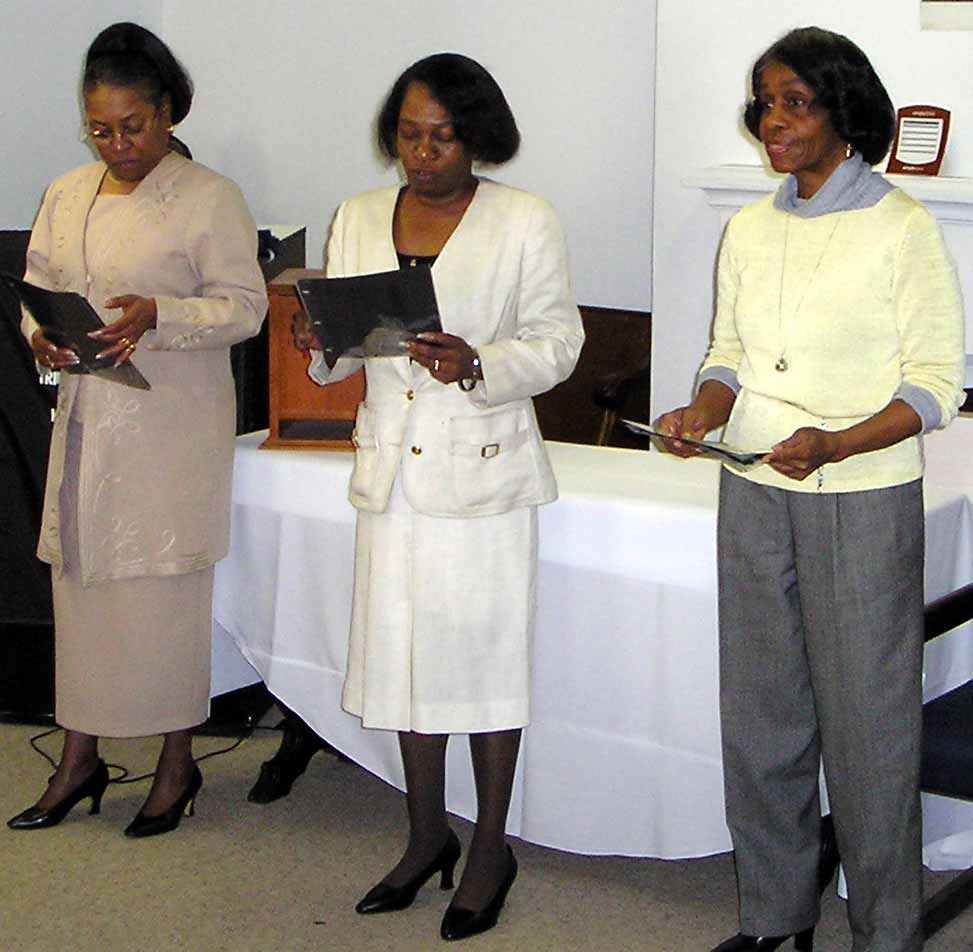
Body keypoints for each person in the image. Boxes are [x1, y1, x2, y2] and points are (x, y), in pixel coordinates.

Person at [657, 26, 964, 952]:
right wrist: (701, 412)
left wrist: (835, 443)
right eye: (763, 102)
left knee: (868, 731)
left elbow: (933, 384)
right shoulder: (746, 227)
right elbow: (728, 359)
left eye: (793, 101)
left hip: (861, 493)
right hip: (753, 484)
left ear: (842, 112)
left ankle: (886, 931)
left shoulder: (901, 226)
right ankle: (775, 915)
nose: (771, 121)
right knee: (761, 713)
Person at [302, 53, 583, 942]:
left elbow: (557, 342)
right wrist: (324, 337)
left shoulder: (523, 220)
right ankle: (427, 836)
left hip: (483, 470)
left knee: (482, 666)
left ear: (478, 136)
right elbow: (337, 355)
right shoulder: (354, 217)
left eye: (442, 137)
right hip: (392, 474)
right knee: (402, 664)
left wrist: (480, 364)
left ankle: (491, 846)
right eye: (409, 136)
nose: (423, 154)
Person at [7, 22, 267, 838]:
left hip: (169, 423)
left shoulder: (209, 196)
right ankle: (78, 757)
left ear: (168, 112)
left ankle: (177, 762)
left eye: (134, 126)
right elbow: (38, 286)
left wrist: (162, 316)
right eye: (101, 129)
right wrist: (39, 333)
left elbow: (246, 308)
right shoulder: (66, 191)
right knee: (81, 590)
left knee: (163, 597)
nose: (118, 144)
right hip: (87, 416)